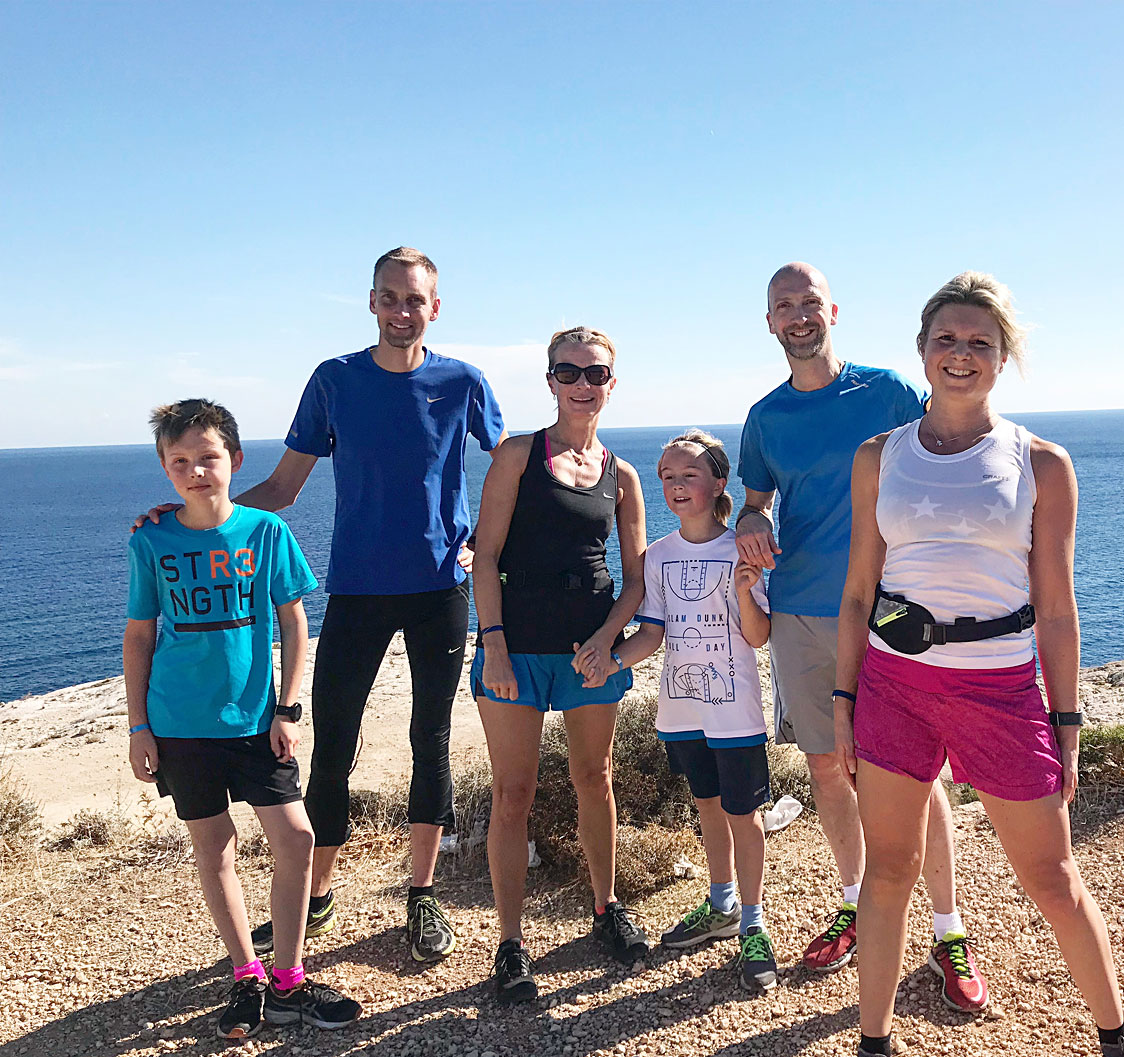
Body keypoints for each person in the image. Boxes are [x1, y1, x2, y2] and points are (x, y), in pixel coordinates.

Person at [820, 273, 1124, 1057]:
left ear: (1002, 356)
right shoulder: (878, 456)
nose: (961, 354)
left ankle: (1122, 1049)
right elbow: (858, 591)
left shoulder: (1040, 463)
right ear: (922, 349)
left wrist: (1068, 720)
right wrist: (843, 699)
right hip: (895, 685)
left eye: (980, 341)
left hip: (1001, 690)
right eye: (947, 338)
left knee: (1052, 877)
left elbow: (1057, 607)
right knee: (888, 873)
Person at [135, 248, 507, 963]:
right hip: (358, 589)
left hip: (439, 589)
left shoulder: (462, 381)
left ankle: (421, 893)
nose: (402, 311)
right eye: (390, 297)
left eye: (415, 299)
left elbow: (511, 465)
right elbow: (282, 488)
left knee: (429, 739)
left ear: (436, 307)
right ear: (371, 302)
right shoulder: (335, 380)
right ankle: (318, 895)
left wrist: (485, 542)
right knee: (333, 742)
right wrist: (189, 515)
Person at [736, 263, 987, 1011]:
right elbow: (756, 503)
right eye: (784, 306)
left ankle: (947, 930)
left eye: (809, 302)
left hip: (891, 611)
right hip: (800, 611)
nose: (799, 315)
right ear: (770, 322)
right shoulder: (765, 418)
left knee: (917, 775)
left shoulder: (887, 392)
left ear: (833, 311)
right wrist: (750, 522)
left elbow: (948, 455)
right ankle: (854, 903)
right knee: (826, 767)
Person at [124, 399, 360, 1038]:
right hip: (179, 723)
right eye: (180, 462)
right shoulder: (151, 539)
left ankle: (289, 980)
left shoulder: (265, 532)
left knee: (297, 839)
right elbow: (140, 634)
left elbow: (293, 622)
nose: (196, 471)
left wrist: (288, 708)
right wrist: (139, 726)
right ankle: (246, 977)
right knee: (215, 848)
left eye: (208, 457)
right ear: (165, 468)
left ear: (234, 458)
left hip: (257, 721)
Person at [471, 326, 649, 1002]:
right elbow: (486, 556)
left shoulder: (622, 476)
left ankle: (606, 908)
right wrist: (493, 645)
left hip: (588, 655)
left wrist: (607, 640)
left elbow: (635, 580)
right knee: (512, 793)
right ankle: (511, 944)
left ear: (611, 383)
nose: (581, 383)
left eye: (594, 373)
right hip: (514, 650)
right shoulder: (519, 455)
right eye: (567, 371)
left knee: (594, 779)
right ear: (550, 381)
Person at [605, 429, 778, 992]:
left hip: (736, 713)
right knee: (707, 806)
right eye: (667, 477)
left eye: (689, 475)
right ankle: (721, 904)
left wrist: (746, 592)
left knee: (744, 816)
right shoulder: (657, 556)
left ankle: (753, 923)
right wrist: (610, 659)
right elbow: (652, 633)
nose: (676, 486)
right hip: (681, 712)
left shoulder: (742, 550)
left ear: (719, 483)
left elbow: (758, 636)